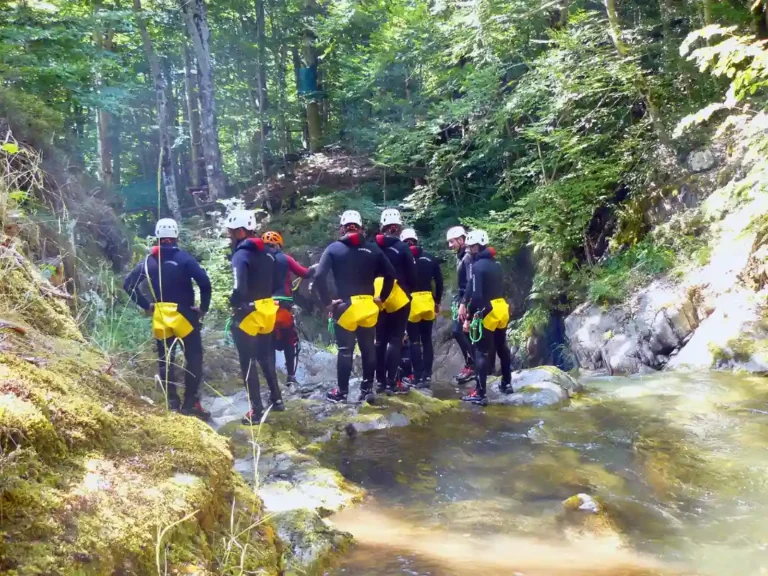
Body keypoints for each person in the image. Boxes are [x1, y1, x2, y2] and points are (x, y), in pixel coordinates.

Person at [123, 218, 212, 420]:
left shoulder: (148, 261)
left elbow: (128, 285)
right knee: (194, 358)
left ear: (158, 237)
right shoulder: (185, 259)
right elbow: (205, 284)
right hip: (185, 315)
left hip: (161, 315)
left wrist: (146, 305)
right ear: (176, 237)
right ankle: (190, 403)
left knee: (165, 360)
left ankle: (172, 403)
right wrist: (203, 308)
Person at [312, 210, 397, 404]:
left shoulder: (334, 248)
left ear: (342, 228)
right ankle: (367, 389)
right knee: (368, 349)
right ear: (360, 228)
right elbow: (391, 274)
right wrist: (381, 297)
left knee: (345, 350)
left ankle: (342, 393)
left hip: (346, 306)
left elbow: (318, 276)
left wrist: (327, 302)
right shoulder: (373, 249)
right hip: (368, 305)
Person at [226, 210, 284, 425]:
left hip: (248, 312)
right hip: (268, 309)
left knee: (247, 362)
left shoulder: (240, 255)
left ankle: (256, 411)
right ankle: (277, 399)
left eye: (232, 232)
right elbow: (278, 283)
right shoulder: (270, 253)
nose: (230, 236)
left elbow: (238, 287)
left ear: (240, 232)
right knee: (265, 356)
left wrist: (233, 302)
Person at [461, 230, 512, 405]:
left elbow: (476, 296)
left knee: (481, 351)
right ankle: (507, 383)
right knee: (501, 346)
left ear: (477, 246)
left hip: (487, 309)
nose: (468, 250)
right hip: (501, 308)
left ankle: (480, 393)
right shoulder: (496, 265)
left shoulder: (477, 267)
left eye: (470, 247)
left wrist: (469, 317)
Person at [262, 230, 315, 386]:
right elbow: (304, 273)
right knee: (289, 341)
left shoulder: (257, 260)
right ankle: (291, 377)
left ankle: (271, 380)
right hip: (283, 308)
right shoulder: (286, 259)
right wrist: (315, 268)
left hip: (266, 308)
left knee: (268, 343)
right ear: (278, 244)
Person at [374, 208, 416, 396]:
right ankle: (392, 382)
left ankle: (379, 381)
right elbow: (412, 275)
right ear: (398, 228)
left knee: (379, 340)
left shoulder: (373, 246)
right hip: (399, 296)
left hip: (377, 296)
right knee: (395, 339)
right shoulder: (403, 248)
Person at [401, 228, 443, 389]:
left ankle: (417, 377)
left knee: (414, 341)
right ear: (416, 241)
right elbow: (439, 283)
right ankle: (427, 375)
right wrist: (437, 301)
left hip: (411, 301)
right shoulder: (430, 258)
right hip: (428, 300)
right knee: (427, 341)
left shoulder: (403, 258)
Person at [446, 225, 476, 384]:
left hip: (467, 299)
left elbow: (471, 282)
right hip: (464, 298)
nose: (450, 245)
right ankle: (472, 365)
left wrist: (465, 304)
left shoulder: (468, 257)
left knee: (460, 331)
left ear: (462, 239)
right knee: (462, 332)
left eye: (452, 241)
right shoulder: (463, 256)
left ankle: (473, 366)